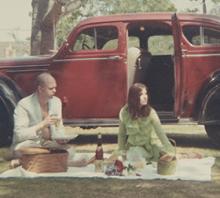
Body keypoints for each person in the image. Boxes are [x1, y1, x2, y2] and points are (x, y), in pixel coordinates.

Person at [11, 72, 87, 167]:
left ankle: (32, 161)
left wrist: (61, 139)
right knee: (23, 150)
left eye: (55, 87)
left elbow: (59, 128)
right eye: (51, 88)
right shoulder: (24, 105)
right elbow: (19, 135)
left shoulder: (56, 102)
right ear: (40, 89)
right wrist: (42, 124)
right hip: (29, 144)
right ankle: (65, 163)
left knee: (69, 149)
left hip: (48, 144)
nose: (55, 91)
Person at [118, 83, 175, 163]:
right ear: (133, 97)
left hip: (150, 148)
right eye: (141, 94)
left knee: (164, 157)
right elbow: (121, 135)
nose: (145, 97)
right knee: (124, 157)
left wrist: (170, 151)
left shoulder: (151, 112)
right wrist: (121, 152)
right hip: (134, 147)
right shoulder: (124, 112)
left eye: (146, 94)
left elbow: (161, 133)